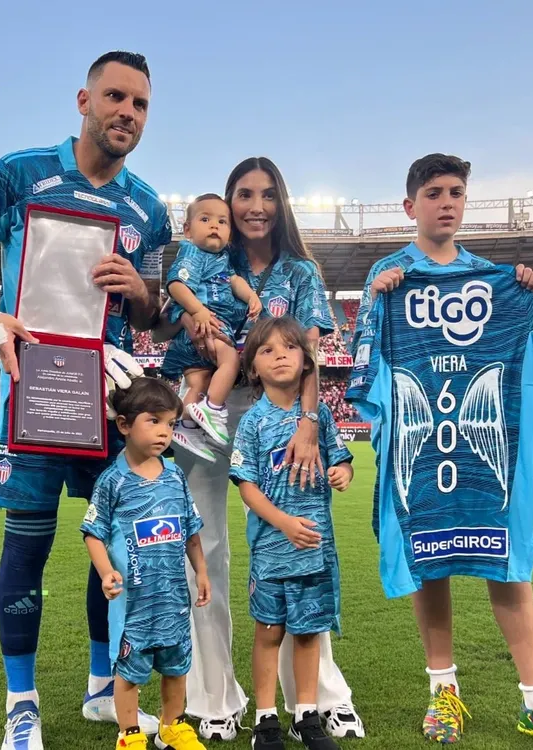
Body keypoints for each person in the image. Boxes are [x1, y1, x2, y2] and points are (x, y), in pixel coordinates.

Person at [0, 50, 169, 750]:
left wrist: (139, 288)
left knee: (116, 549)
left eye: (142, 104)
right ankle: (22, 704)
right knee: (27, 549)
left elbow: (156, 312)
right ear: (84, 99)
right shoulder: (21, 173)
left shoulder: (149, 207)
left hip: (113, 406)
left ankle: (104, 689)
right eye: (116, 97)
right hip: (35, 394)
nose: (128, 112)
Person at [347, 153, 533, 749]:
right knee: (429, 560)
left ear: (466, 202)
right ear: (411, 206)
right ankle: (445, 692)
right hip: (418, 443)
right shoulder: (388, 275)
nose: (446, 202)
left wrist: (528, 292)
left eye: (456, 192)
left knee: (505, 559)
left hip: (487, 446)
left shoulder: (494, 278)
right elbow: (364, 354)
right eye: (433, 192)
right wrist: (375, 300)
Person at [130, 156, 365, 742]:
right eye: (243, 195)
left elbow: (310, 350)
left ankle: (317, 695)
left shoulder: (300, 272)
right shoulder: (206, 255)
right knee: (204, 545)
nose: (255, 206)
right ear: (227, 205)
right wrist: (184, 319)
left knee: (298, 539)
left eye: (266, 195)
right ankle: (217, 695)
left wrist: (310, 423)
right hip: (205, 407)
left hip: (286, 417)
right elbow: (158, 325)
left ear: (280, 203)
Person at [229, 317, 354, 750]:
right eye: (267, 350)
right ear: (253, 368)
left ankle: (306, 715)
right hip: (272, 549)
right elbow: (246, 486)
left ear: (306, 362)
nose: (279, 355)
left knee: (307, 633)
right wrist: (282, 522)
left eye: (289, 347)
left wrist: (342, 471)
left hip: (316, 547)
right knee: (268, 633)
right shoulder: (252, 423)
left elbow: (343, 459)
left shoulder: (319, 420)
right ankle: (265, 720)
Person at [82, 378, 212, 750]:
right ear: (124, 424)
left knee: (177, 665)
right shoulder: (113, 481)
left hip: (172, 597)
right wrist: (106, 571)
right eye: (153, 421)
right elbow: (93, 532)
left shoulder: (175, 477)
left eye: (170, 423)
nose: (164, 432)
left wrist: (201, 570)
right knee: (130, 671)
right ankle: (130, 733)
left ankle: (172, 726)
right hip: (133, 602)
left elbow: (191, 530)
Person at [161, 193, 262, 458]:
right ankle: (213, 408)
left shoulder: (222, 260)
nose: (214, 226)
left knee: (198, 383)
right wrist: (198, 311)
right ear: (187, 230)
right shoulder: (192, 253)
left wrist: (251, 296)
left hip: (196, 340)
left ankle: (185, 426)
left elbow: (234, 280)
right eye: (205, 219)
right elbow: (176, 285)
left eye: (222, 221)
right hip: (206, 328)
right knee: (230, 361)